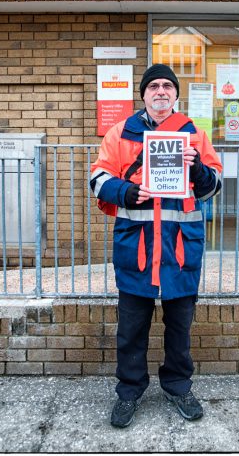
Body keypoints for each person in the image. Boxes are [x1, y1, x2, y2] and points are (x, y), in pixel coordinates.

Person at [91, 64, 222, 428]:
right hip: (137, 251)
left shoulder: (194, 134)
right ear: (144, 94)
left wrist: (197, 173)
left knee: (179, 329)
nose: (161, 91)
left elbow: (214, 185)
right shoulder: (121, 132)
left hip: (180, 251)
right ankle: (129, 392)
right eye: (154, 86)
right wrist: (127, 192)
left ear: (175, 94)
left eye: (167, 86)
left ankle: (178, 386)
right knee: (131, 329)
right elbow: (98, 178)